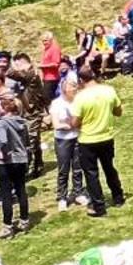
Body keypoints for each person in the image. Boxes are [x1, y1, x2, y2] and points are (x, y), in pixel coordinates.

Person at [72, 64, 125, 218]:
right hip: (107, 137)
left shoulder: (80, 97)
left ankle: (98, 205)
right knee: (109, 168)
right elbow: (118, 111)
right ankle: (118, 196)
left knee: (91, 174)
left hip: (88, 140)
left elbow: (74, 123)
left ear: (81, 80)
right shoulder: (108, 90)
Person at [0, 96, 33, 237]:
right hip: (21, 159)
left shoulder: (2, 123)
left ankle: (7, 226)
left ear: (4, 108)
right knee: (21, 190)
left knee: (6, 194)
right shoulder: (22, 122)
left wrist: (0, 151)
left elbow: (2, 139)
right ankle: (24, 221)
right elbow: (26, 141)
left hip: (6, 161)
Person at [48, 72, 82, 210]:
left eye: (75, 87)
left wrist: (69, 124)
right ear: (64, 89)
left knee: (78, 167)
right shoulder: (56, 104)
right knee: (63, 169)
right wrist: (70, 125)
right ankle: (62, 196)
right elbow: (57, 125)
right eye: (72, 87)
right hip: (63, 141)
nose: (75, 89)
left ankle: (78, 192)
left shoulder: (77, 102)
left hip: (77, 138)